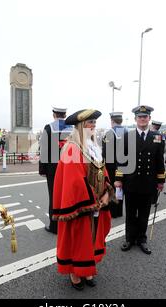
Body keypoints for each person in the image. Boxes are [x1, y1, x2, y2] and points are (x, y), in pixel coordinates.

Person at [52, 109, 114, 290]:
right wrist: (93, 201)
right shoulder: (72, 148)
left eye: (94, 123)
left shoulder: (94, 146)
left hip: (96, 202)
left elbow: (104, 171)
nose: (93, 126)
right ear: (80, 126)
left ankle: (87, 268)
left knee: (92, 238)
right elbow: (74, 181)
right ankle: (75, 271)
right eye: (89, 123)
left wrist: (106, 194)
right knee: (79, 238)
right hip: (83, 204)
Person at [115, 105, 166, 255]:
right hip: (131, 182)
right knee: (130, 213)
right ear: (135, 119)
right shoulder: (127, 136)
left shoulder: (157, 137)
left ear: (149, 119)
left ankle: (142, 239)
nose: (142, 119)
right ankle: (129, 239)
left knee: (144, 213)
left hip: (148, 182)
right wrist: (118, 178)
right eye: (140, 117)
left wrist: (160, 181)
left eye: (145, 117)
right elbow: (121, 160)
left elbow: (159, 161)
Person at [39, 107, 72, 234]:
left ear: (54, 114)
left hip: (53, 168)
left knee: (54, 196)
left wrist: (42, 169)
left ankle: (54, 226)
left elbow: (44, 149)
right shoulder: (72, 128)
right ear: (65, 115)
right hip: (69, 167)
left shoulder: (49, 127)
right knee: (67, 195)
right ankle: (67, 222)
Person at [102, 111, 127, 218]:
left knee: (112, 187)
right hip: (125, 166)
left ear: (112, 121)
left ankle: (113, 212)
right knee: (121, 187)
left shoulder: (109, 133)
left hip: (112, 166)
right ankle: (119, 210)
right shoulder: (128, 132)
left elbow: (105, 153)